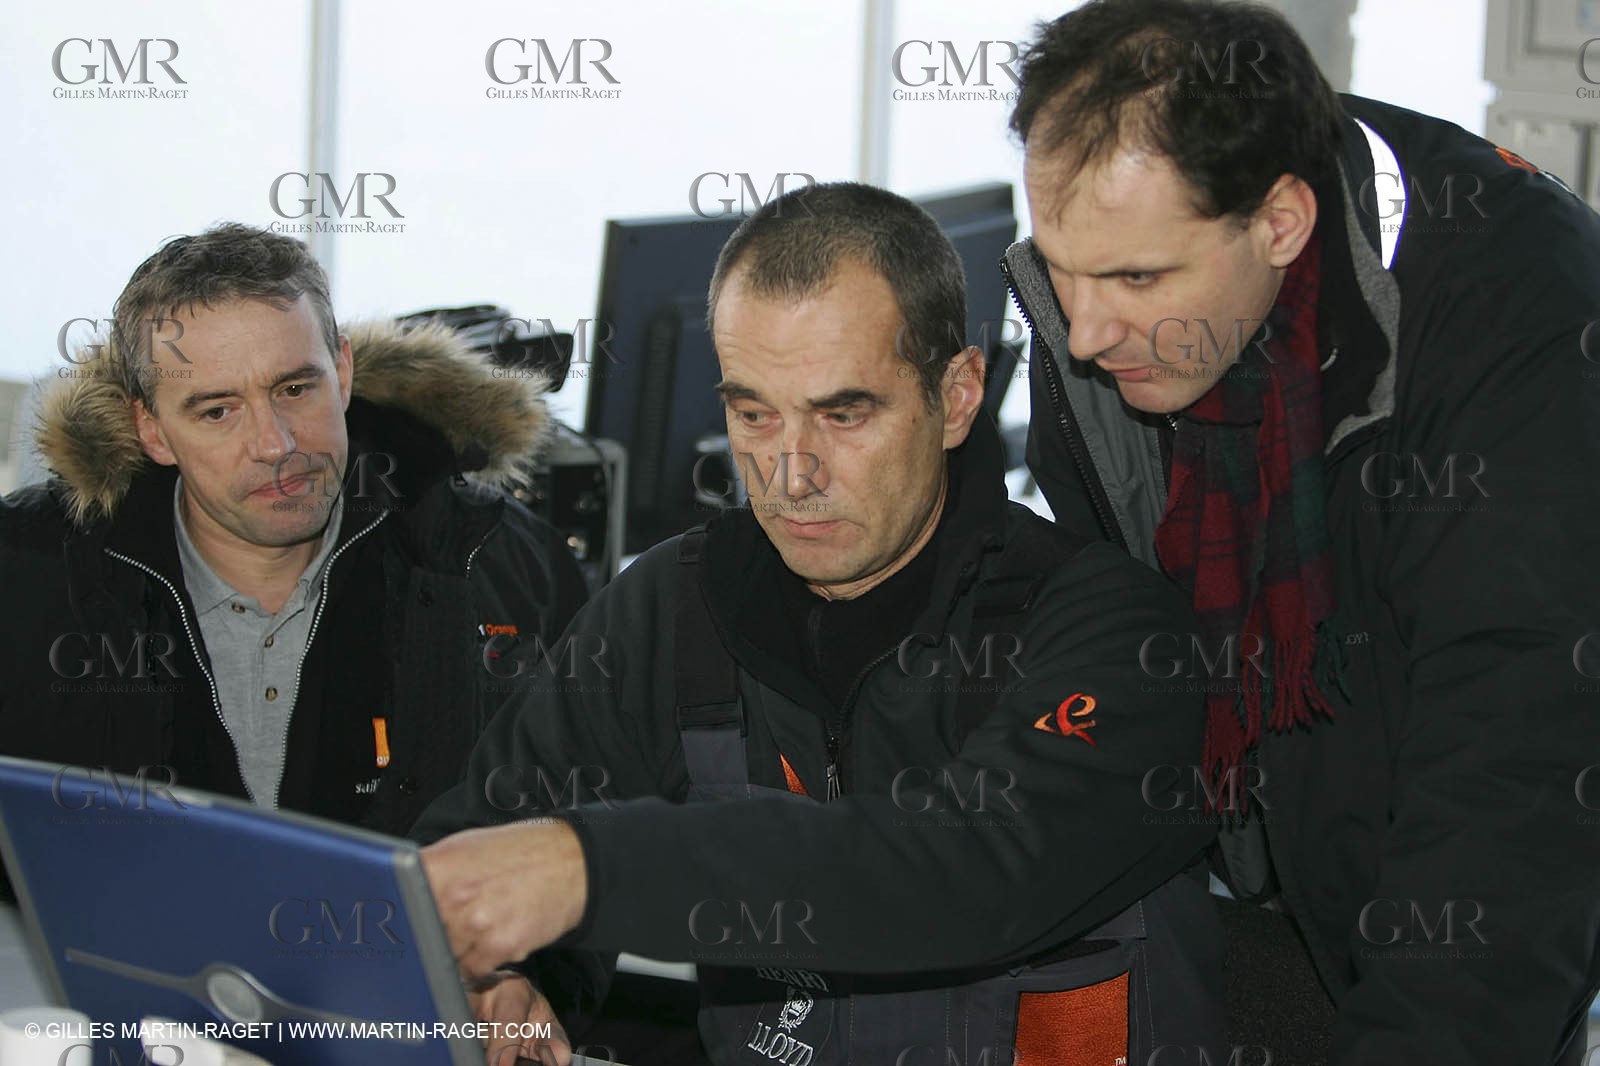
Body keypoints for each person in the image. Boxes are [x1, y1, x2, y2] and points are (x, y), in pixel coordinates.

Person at [416, 182, 1225, 1066]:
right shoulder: (672, 607)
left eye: (845, 414)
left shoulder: (1115, 633)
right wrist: (501, 978)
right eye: (754, 414)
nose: (790, 474)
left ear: (957, 396)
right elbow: (473, 846)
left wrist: (594, 870)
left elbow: (967, 871)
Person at [1002, 2, 1600, 1063]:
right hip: (1237, 890)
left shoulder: (1532, 328)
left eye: (1137, 279)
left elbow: (1514, 785)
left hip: (1448, 941)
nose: (1083, 332)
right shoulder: (1128, 259)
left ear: (1281, 222)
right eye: (1060, 266)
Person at [0, 222, 588, 845]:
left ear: (343, 373)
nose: (275, 445)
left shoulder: (507, 562)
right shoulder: (24, 579)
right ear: (151, 430)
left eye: (296, 389)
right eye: (217, 411)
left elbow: (588, 842)